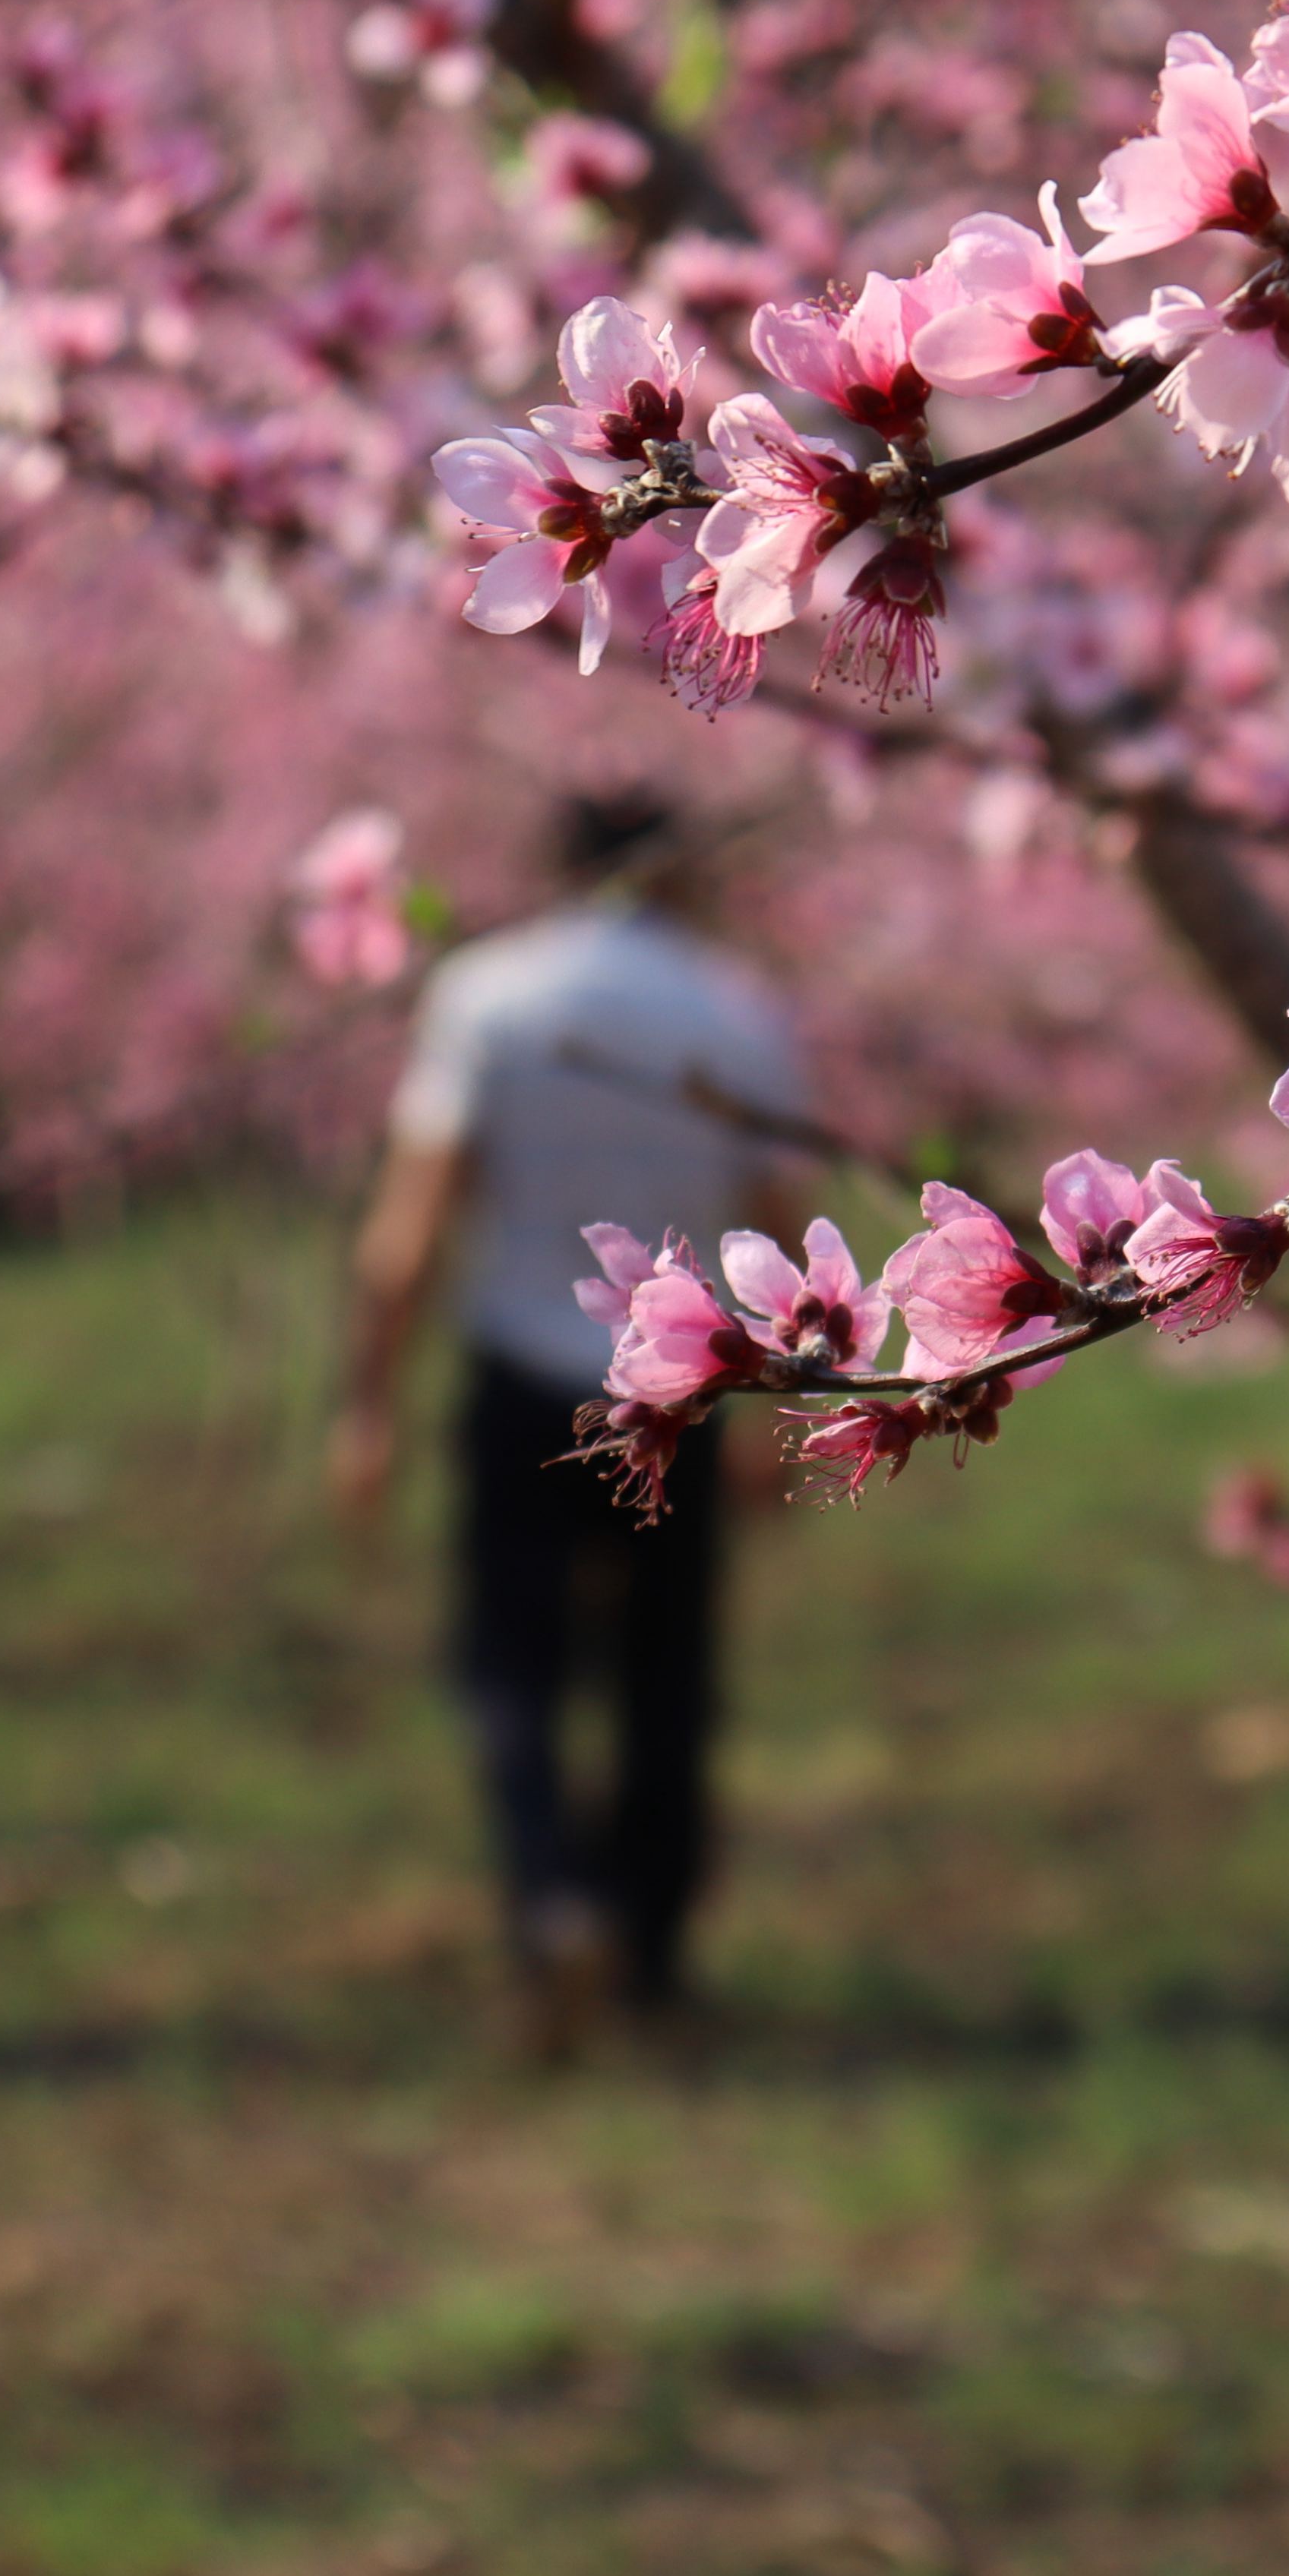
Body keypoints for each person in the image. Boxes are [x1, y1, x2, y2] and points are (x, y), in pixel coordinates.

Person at [329, 795, 808, 2050]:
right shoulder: (735, 1011)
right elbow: (787, 1235)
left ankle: (550, 1901)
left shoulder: (488, 997)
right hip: (688, 1388)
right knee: (668, 1672)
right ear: (679, 873)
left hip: (521, 1379)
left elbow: (409, 1230)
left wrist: (367, 1405)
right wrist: (782, 1422)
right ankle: (649, 1951)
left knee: (511, 1665)